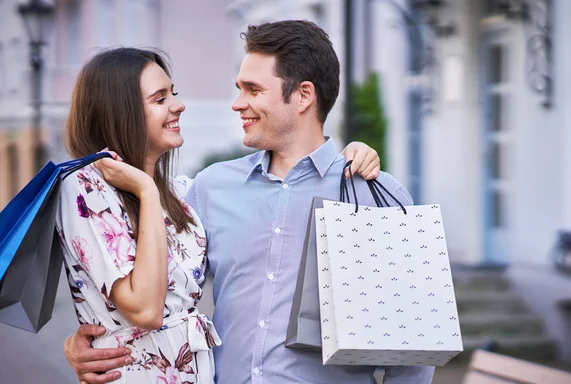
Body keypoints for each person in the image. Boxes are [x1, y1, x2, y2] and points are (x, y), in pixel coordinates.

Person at [64, 21, 435, 384]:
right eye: (238, 88)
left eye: (253, 90)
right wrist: (87, 342)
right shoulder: (207, 189)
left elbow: (412, 351)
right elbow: (165, 286)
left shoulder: (372, 195)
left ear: (304, 95)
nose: (237, 104)